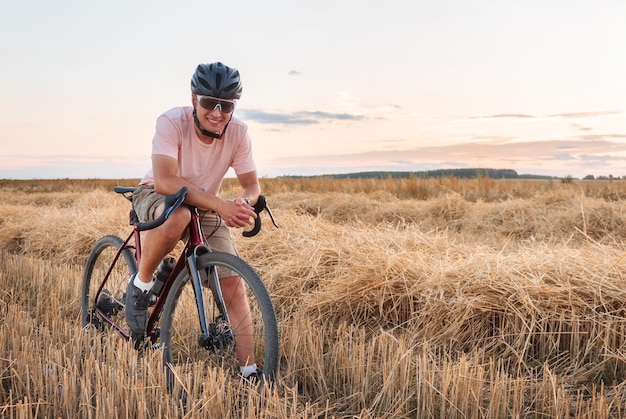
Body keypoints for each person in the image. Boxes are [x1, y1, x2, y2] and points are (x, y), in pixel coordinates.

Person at [125, 62, 261, 379]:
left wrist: (243, 202)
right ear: (193, 99)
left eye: (225, 105)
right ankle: (141, 284)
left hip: (204, 204)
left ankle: (250, 372)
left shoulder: (239, 133)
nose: (216, 112)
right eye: (208, 102)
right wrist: (219, 204)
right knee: (179, 215)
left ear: (233, 106)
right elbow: (165, 181)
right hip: (156, 194)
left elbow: (252, 185)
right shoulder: (171, 122)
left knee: (233, 283)